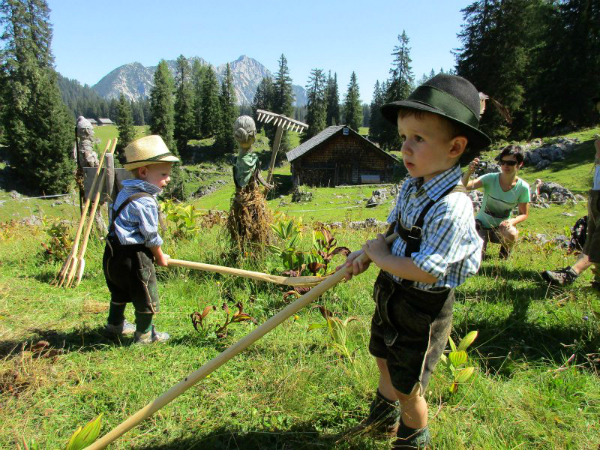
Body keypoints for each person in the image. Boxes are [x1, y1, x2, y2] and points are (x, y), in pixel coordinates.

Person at [339, 74, 487, 449]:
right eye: (403, 137)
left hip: (422, 307)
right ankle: (385, 411)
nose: (405, 148)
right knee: (383, 354)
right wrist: (367, 254)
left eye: (418, 139)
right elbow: (397, 230)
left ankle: (413, 435)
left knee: (410, 384)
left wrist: (383, 257)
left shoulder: (453, 207)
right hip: (392, 290)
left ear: (455, 147)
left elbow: (426, 268)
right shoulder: (412, 184)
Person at [102, 135, 179, 344]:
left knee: (119, 292)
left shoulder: (126, 190)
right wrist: (160, 257)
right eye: (163, 174)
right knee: (145, 294)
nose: (168, 178)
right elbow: (151, 236)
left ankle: (114, 326)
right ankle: (145, 335)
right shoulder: (146, 201)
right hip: (134, 256)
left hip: (112, 253)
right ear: (144, 172)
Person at [542, 99, 600, 289]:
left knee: (597, 240)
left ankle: (571, 273)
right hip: (596, 192)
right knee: (591, 237)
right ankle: (598, 280)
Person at [462, 146, 530, 259]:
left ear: (520, 164)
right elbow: (465, 186)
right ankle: (480, 246)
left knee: (512, 233)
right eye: (502, 162)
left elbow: (524, 214)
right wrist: (469, 172)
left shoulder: (523, 187)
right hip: (480, 225)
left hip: (501, 228)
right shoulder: (490, 178)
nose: (505, 166)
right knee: (478, 258)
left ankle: (504, 254)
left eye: (511, 163)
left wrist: (512, 221)